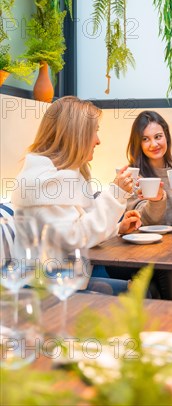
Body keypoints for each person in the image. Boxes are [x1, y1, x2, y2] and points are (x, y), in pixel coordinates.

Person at [11, 96, 142, 293]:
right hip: (47, 291)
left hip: (67, 281)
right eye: (95, 131)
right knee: (141, 295)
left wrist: (117, 228)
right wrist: (115, 193)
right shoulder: (45, 182)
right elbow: (76, 238)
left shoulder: (64, 175)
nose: (98, 141)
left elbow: (80, 228)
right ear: (76, 134)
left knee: (143, 290)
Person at [107, 110, 172, 299]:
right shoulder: (132, 175)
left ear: (167, 137)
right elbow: (141, 222)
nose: (154, 144)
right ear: (138, 143)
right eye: (145, 139)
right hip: (140, 251)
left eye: (158, 137)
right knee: (165, 266)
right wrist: (156, 201)